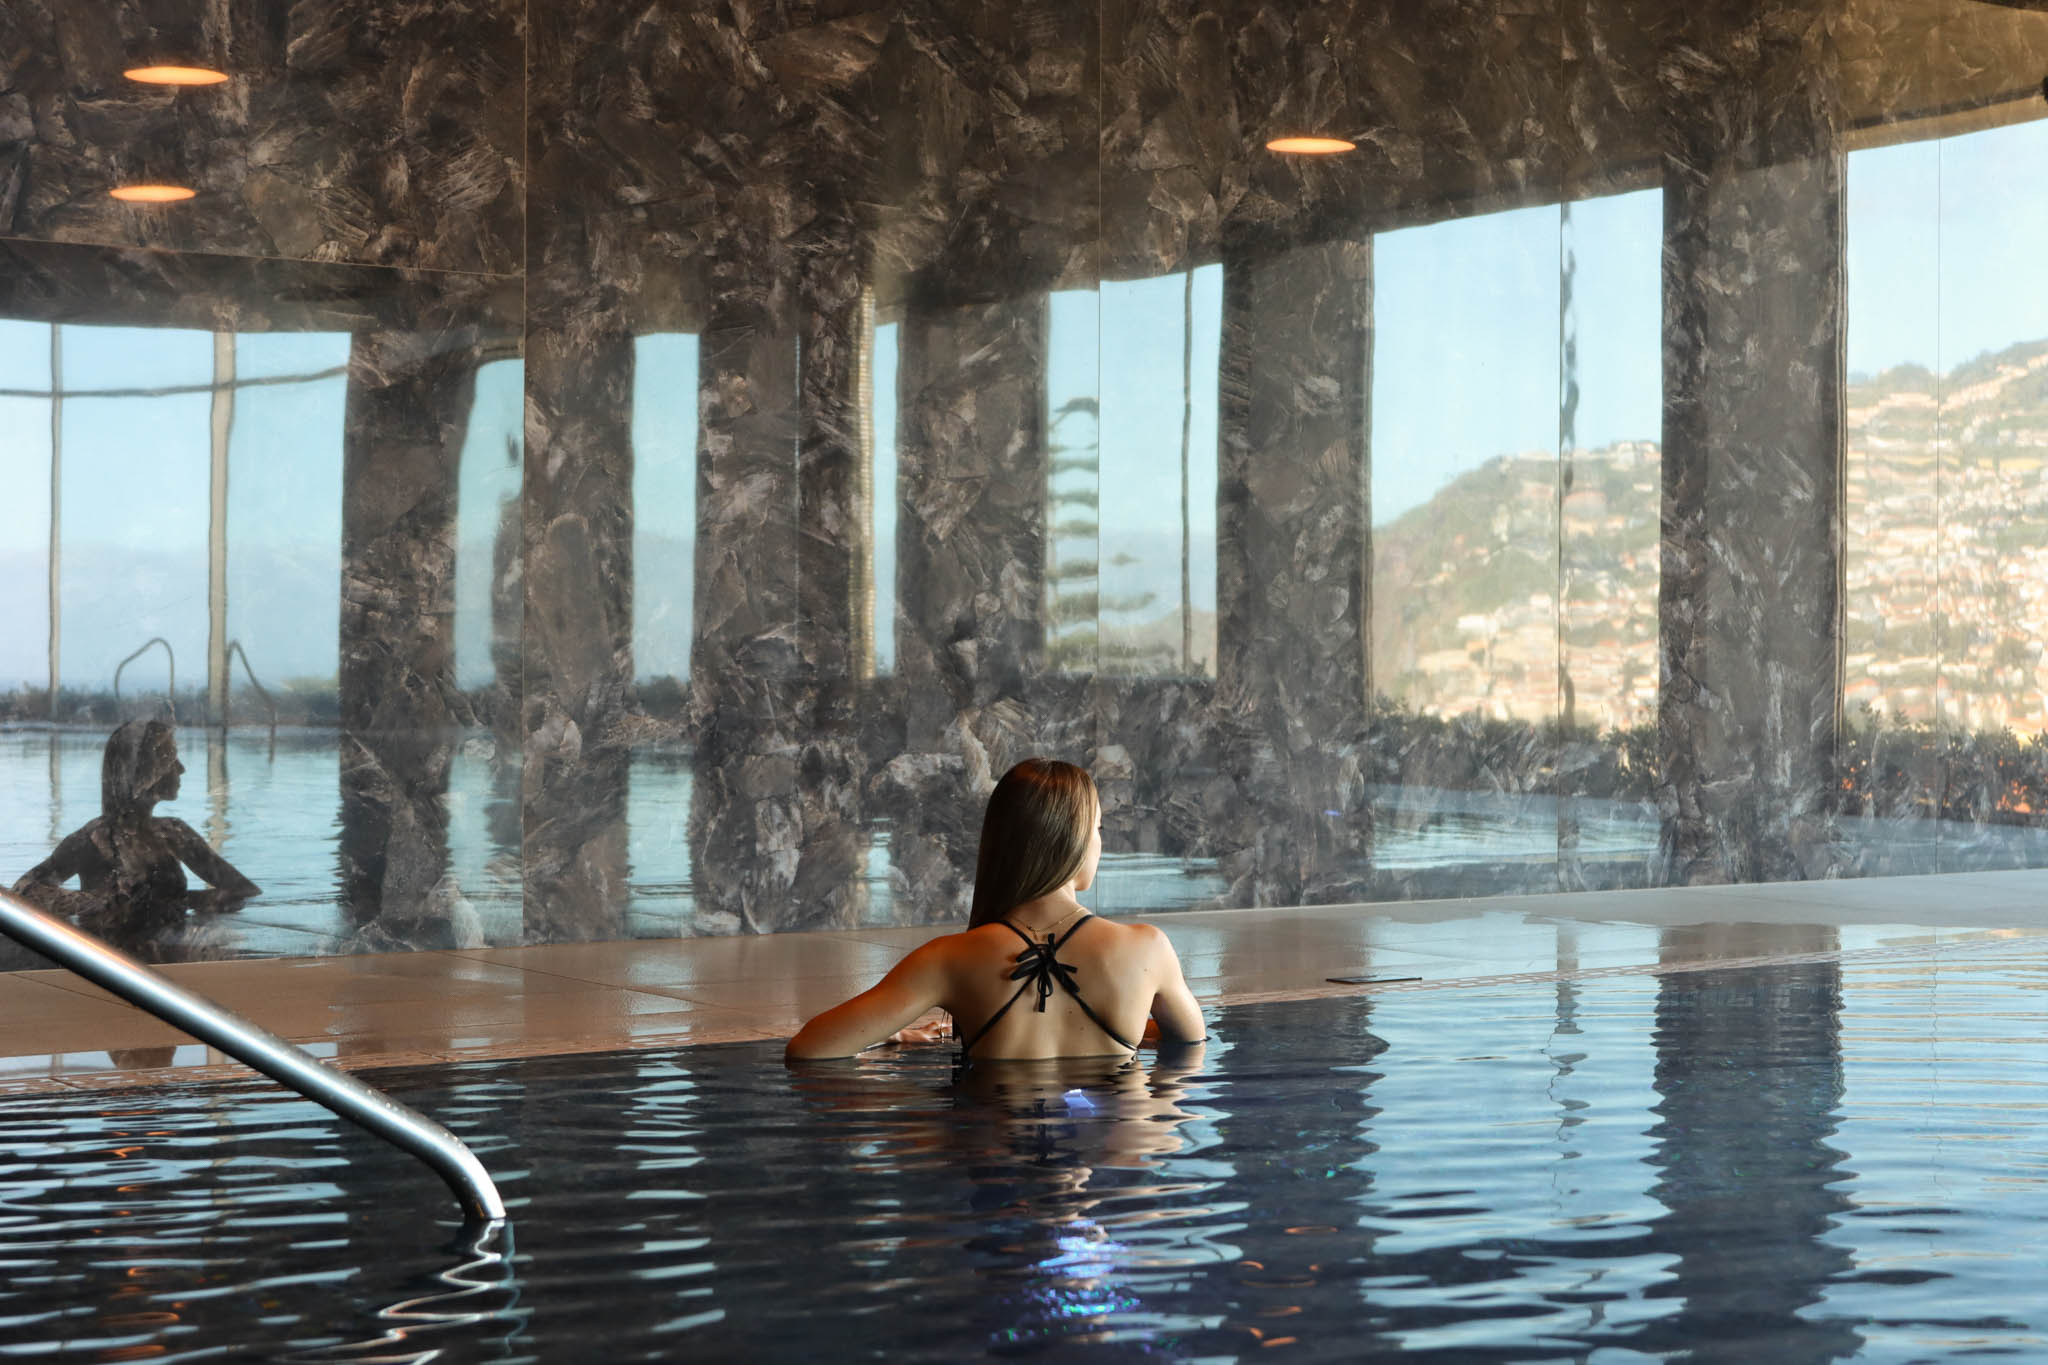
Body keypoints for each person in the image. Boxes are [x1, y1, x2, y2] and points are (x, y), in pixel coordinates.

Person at [786, 758, 1205, 1062]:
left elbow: (809, 1049)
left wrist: (889, 1033)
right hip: (1110, 1140)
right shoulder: (1148, 950)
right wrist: (1126, 1024)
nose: (1100, 842)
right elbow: (1190, 1043)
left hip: (996, 1149)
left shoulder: (949, 959)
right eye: (1098, 829)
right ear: (1074, 841)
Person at [12, 719, 260, 949]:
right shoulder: (94, 839)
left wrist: (185, 901)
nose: (181, 769)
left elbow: (243, 890)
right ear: (146, 771)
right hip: (111, 959)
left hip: (167, 953)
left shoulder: (174, 832)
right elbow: (24, 890)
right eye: (171, 759)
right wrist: (95, 903)